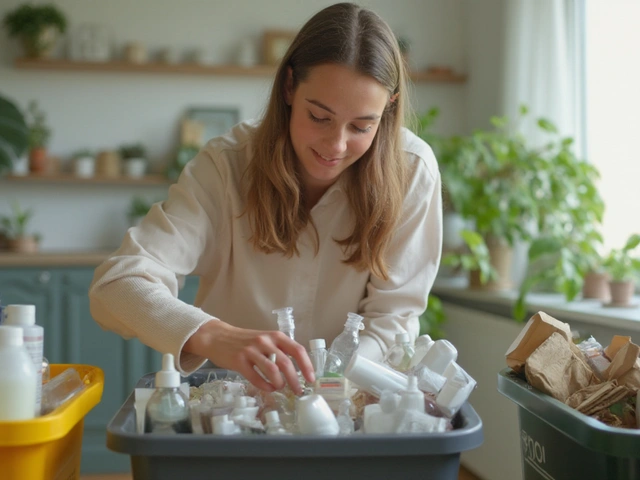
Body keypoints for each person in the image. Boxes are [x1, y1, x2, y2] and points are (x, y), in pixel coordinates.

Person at [89, 2, 442, 395]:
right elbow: (117, 284)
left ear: (388, 107)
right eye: (319, 117)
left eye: (361, 126)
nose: (336, 145)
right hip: (230, 406)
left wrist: (332, 387)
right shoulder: (226, 166)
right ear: (289, 87)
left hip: (346, 407)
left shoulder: (411, 172)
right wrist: (212, 334)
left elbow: (391, 321)